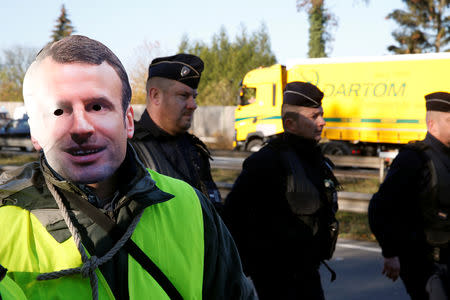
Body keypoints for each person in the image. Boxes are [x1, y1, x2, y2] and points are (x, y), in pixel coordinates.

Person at [0, 35, 256, 300]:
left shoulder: (191, 206)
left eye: (97, 107)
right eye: (59, 111)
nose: (81, 128)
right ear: (35, 131)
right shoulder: (4, 219)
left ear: (128, 121)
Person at [222, 81, 340, 300]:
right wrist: (253, 266)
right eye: (314, 117)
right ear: (291, 124)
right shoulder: (267, 162)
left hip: (309, 271)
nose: (322, 122)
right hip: (277, 277)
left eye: (321, 115)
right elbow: (234, 216)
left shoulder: (317, 160)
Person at [369, 92, 450, 300]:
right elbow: (379, 207)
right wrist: (390, 252)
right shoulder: (414, 158)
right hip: (424, 263)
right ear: (432, 125)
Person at [130, 54, 221, 205]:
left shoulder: (195, 149)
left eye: (194, 97)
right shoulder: (129, 150)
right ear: (155, 96)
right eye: (183, 95)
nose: (193, 105)